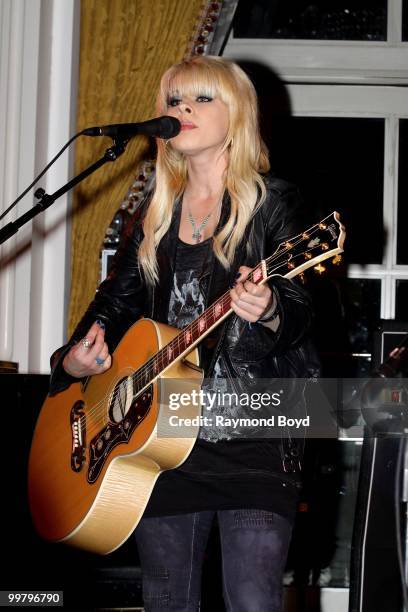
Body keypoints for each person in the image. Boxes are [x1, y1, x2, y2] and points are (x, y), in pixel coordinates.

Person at [50, 56, 317, 612]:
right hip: (159, 441)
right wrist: (72, 363)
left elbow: (304, 308)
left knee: (251, 601)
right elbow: (111, 307)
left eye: (201, 98)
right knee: (168, 601)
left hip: (253, 435)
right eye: (174, 100)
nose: (182, 110)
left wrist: (267, 309)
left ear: (237, 115)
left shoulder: (275, 205)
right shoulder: (153, 215)